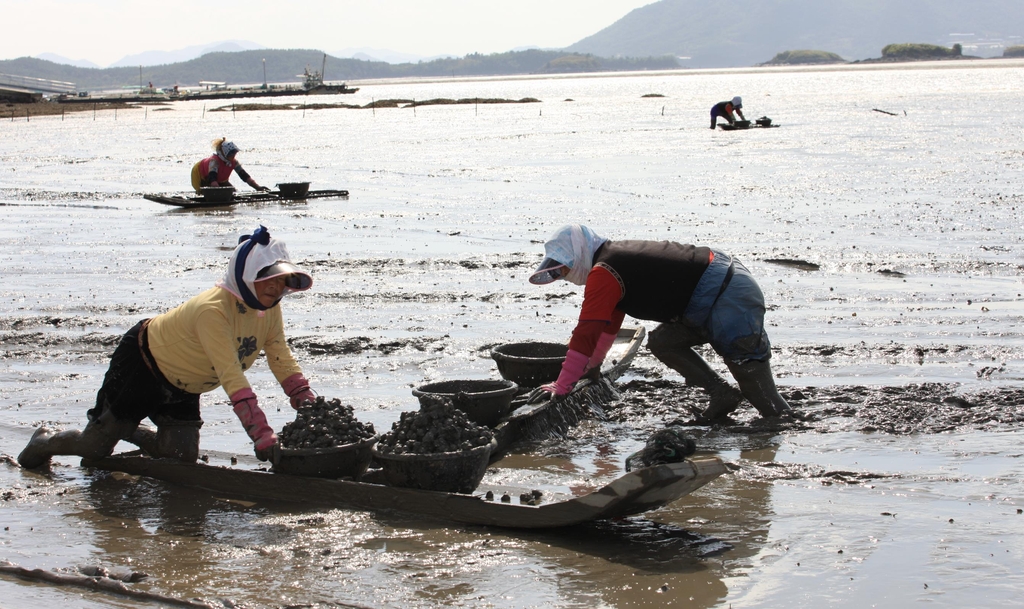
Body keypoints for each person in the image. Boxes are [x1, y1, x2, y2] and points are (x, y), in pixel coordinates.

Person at [18, 225, 317, 469]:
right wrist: (261, 434)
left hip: (184, 385)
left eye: (281, 280)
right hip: (143, 365)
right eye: (267, 279)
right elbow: (231, 375)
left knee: (180, 457)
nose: (275, 288)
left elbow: (280, 354)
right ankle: (44, 442)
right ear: (246, 276)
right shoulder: (212, 311)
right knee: (93, 449)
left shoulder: (270, 310)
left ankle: (128, 429)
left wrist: (304, 398)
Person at [528, 224, 791, 422]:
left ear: (580, 252)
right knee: (663, 342)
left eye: (564, 268)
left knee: (759, 391)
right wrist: (592, 367)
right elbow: (607, 326)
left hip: (728, 292)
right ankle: (721, 393)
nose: (565, 276)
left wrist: (562, 385)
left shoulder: (604, 272)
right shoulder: (612, 263)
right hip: (708, 295)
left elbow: (587, 330)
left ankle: (786, 428)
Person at [190, 137, 271, 194]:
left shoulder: (234, 162)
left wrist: (258, 188)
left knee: (233, 192)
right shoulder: (214, 162)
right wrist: (219, 193)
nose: (233, 157)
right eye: (231, 154)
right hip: (200, 176)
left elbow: (244, 176)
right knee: (209, 193)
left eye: (234, 154)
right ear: (225, 154)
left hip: (220, 180)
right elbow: (212, 179)